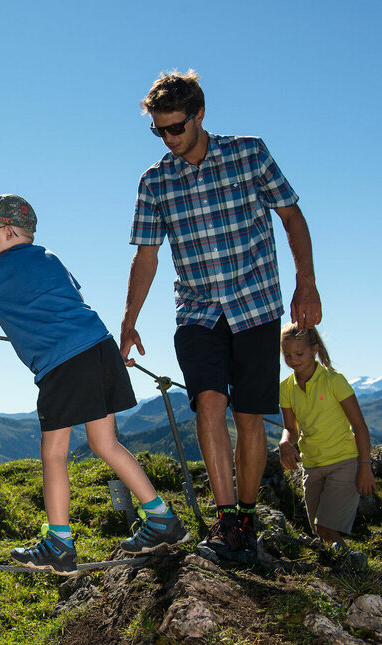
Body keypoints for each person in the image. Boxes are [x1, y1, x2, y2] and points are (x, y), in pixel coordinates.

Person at [0, 194, 190, 576]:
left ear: (8, 230)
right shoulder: (50, 257)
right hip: (100, 349)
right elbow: (71, 300)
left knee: (53, 453)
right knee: (106, 444)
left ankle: (59, 543)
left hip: (64, 364)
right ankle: (162, 519)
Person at [120, 70, 323, 564]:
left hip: (256, 304)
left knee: (249, 415)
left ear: (199, 115)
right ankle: (227, 521)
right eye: (159, 131)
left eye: (176, 127)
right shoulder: (154, 181)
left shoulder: (249, 153)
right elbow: (146, 255)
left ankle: (246, 523)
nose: (169, 139)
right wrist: (129, 320)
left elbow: (291, 216)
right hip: (197, 310)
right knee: (209, 404)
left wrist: (307, 282)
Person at [278, 323, 375, 545]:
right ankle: (345, 564)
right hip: (311, 466)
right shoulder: (285, 388)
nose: (293, 360)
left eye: (299, 354)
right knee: (321, 532)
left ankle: (350, 566)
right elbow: (291, 429)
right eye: (287, 355)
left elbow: (359, 426)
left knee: (326, 529)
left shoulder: (334, 380)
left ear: (314, 349)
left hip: (344, 463)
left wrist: (365, 467)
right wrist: (284, 443)